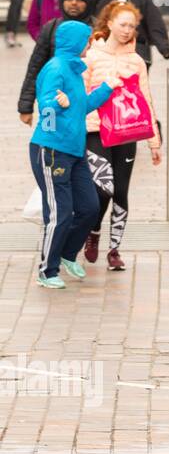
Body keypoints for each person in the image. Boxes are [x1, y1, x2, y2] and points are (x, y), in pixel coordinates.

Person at [29, 20, 120, 289]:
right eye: (87, 40)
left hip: (75, 150)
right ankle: (47, 270)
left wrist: (107, 88)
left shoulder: (73, 70)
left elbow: (82, 107)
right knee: (60, 213)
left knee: (90, 208)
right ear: (75, 42)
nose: (90, 44)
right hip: (52, 151)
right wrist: (57, 106)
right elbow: (46, 109)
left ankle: (68, 254)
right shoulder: (56, 68)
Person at [81, 2, 162, 272]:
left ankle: (115, 249)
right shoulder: (92, 56)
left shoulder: (137, 60)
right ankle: (92, 234)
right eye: (123, 24)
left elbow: (145, 99)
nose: (127, 30)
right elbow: (81, 95)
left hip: (127, 131)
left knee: (121, 191)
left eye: (132, 26)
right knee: (103, 187)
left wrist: (154, 141)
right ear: (110, 23)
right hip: (96, 130)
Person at [18, 0, 93, 126]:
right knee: (49, 139)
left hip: (87, 104)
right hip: (53, 101)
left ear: (88, 2)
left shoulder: (96, 29)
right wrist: (25, 107)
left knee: (79, 144)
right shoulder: (51, 28)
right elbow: (35, 67)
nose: (73, 3)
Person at [96, 0, 169, 67]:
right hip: (112, 52)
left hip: (138, 51)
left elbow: (154, 22)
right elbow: (100, 26)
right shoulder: (107, 1)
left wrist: (163, 47)